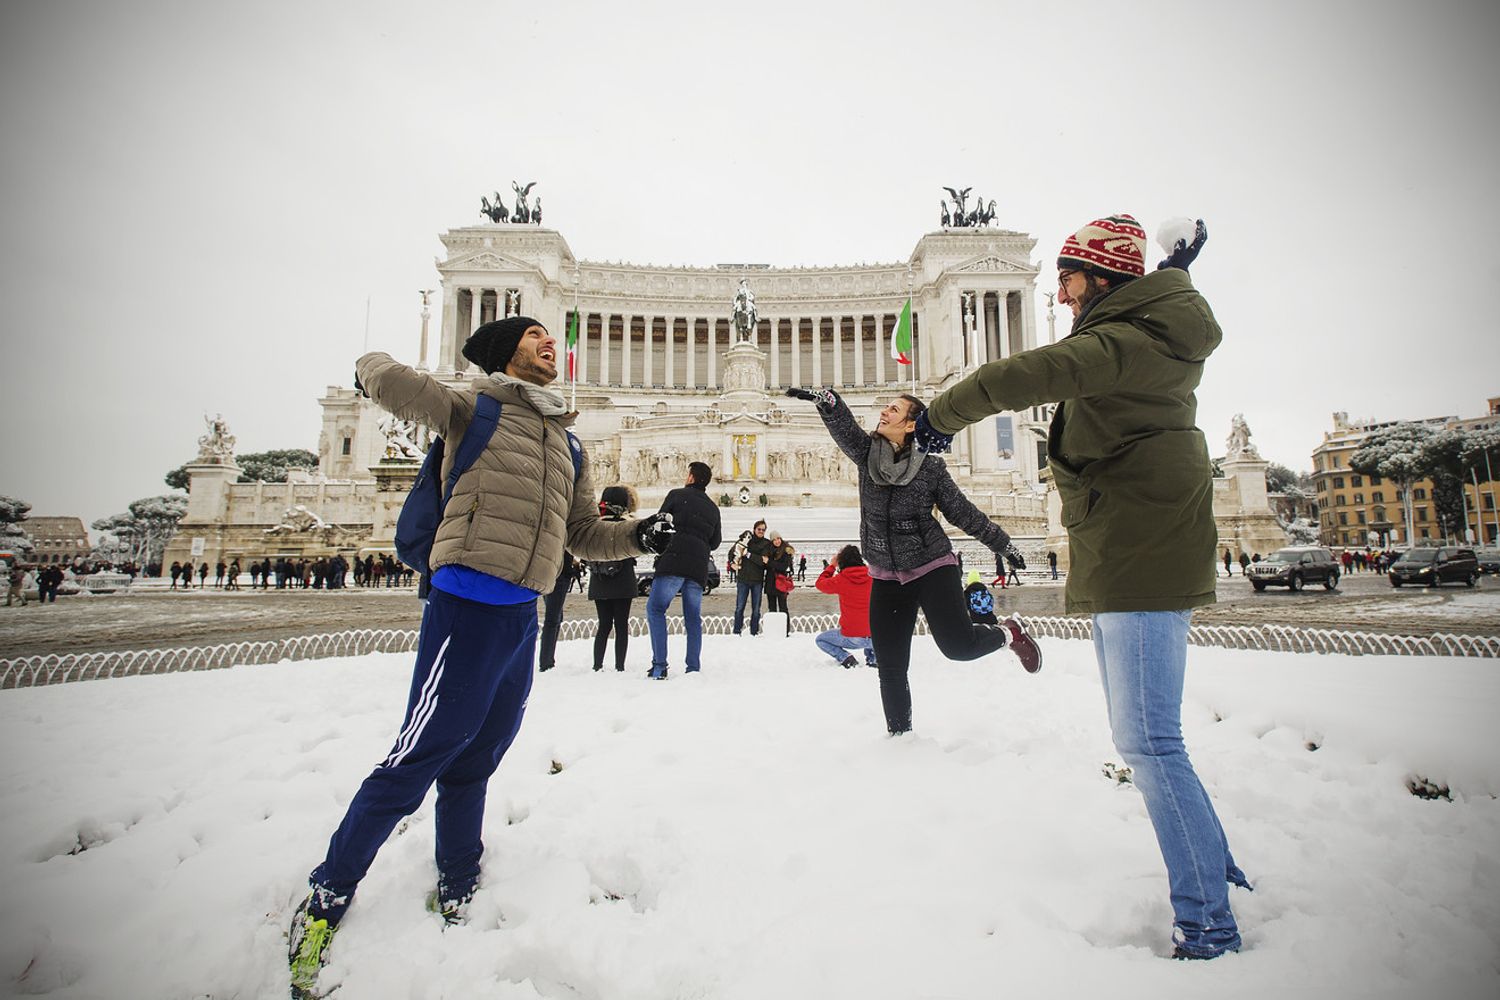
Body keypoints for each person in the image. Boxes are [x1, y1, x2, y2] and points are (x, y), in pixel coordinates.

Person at [288, 315, 676, 991]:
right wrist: (370, 363)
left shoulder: (568, 442)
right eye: (534, 337)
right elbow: (395, 385)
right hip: (465, 602)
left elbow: (582, 533)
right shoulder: (474, 405)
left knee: (477, 760)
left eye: (550, 339)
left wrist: (641, 537)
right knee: (415, 759)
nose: (549, 344)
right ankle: (329, 891)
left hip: (521, 613)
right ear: (504, 353)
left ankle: (459, 875)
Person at [913, 214, 1249, 960]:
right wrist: (1176, 269)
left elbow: (1027, 373)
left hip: (1137, 551)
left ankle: (1209, 922)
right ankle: (1217, 873)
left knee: (1151, 743)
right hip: (1130, 545)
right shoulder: (1149, 330)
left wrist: (940, 417)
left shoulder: (1121, 343)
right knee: (1152, 741)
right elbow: (1146, 314)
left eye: (1067, 278)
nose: (1059, 294)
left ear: (1101, 280)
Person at [784, 387, 1041, 735]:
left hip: (931, 565)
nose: (884, 413)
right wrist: (829, 404)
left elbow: (962, 513)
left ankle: (1007, 633)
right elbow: (844, 430)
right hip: (887, 575)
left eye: (893, 410)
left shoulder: (931, 469)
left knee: (959, 648)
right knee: (890, 666)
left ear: (910, 425)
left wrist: (1003, 544)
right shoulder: (866, 455)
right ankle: (900, 739)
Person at [645, 461, 723, 678]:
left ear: (691, 478)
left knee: (656, 609)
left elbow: (660, 522)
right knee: (692, 618)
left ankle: (660, 665)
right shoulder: (712, 508)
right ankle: (693, 668)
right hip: (698, 568)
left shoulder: (676, 495)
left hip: (673, 560)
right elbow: (715, 542)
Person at [587, 485, 639, 672]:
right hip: (623, 579)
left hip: (600, 579)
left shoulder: (595, 524)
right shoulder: (628, 524)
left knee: (604, 624)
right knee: (621, 625)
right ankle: (619, 666)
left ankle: (597, 665)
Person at [813, 544, 875, 668]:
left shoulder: (841, 579)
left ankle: (845, 658)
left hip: (852, 636)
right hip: (876, 635)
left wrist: (831, 566)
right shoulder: (873, 576)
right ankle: (874, 658)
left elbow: (820, 584)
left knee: (821, 639)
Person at [732, 520, 772, 635]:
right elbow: (733, 552)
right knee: (739, 607)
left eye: (763, 530)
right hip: (743, 579)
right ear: (754, 529)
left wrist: (748, 554)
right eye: (759, 529)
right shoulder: (746, 539)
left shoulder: (766, 544)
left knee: (756, 609)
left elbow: (762, 562)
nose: (761, 531)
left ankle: (754, 632)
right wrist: (732, 562)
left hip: (757, 580)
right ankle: (736, 631)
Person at [536, 552, 574, 673]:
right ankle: (546, 662)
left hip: (548, 573)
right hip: (559, 574)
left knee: (556, 617)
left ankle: (548, 659)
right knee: (552, 619)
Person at [764, 530, 795, 616]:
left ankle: (785, 628)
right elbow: (766, 566)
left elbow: (783, 567)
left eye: (778, 538)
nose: (777, 541)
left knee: (783, 608)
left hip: (781, 582)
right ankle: (774, 628)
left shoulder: (786, 551)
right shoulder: (768, 550)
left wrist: (769, 562)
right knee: (772, 608)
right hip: (770, 582)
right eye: (774, 539)